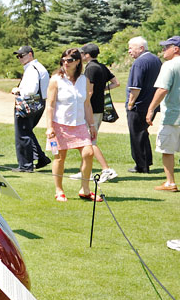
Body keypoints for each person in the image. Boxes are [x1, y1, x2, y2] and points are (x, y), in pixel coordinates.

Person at [45, 47, 100, 202]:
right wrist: (49, 127)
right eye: (63, 59)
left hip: (80, 124)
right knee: (59, 158)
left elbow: (87, 104)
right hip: (59, 125)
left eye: (69, 60)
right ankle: (59, 190)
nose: (65, 63)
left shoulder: (84, 80)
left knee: (88, 153)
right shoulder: (56, 79)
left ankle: (85, 189)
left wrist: (91, 125)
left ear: (77, 62)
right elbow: (50, 105)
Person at [70, 43, 118, 181]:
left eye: (82, 53)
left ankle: (106, 169)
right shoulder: (102, 66)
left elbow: (89, 92)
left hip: (91, 109)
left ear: (87, 55)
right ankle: (85, 171)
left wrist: (82, 106)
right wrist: (101, 89)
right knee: (88, 140)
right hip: (99, 108)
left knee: (89, 142)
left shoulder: (90, 68)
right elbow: (115, 83)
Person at [10, 45, 51, 173]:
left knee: (22, 134)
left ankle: (25, 165)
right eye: (18, 56)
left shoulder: (32, 69)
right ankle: (41, 158)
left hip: (28, 103)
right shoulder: (37, 67)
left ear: (30, 54)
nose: (20, 58)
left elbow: (31, 90)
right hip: (39, 103)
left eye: (22, 55)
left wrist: (18, 90)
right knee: (27, 132)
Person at [147, 35, 180, 192]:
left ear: (176, 49)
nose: (163, 50)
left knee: (167, 150)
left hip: (172, 116)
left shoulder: (169, 65)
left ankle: (170, 182)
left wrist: (151, 108)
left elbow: (163, 89)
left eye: (167, 47)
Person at [126, 36, 162, 174]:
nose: (129, 51)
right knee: (143, 133)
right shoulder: (155, 60)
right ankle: (147, 161)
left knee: (136, 135)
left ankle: (141, 166)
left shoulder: (139, 63)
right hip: (151, 104)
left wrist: (130, 104)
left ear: (141, 48)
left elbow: (135, 87)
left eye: (131, 48)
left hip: (138, 105)